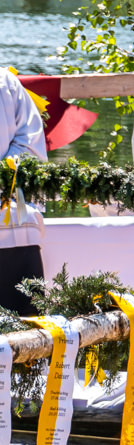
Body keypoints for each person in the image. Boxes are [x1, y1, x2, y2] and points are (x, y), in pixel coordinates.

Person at [0, 67, 48, 312]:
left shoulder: (5, 82)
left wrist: (3, 178)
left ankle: (24, 326)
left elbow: (29, 146)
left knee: (22, 216)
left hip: (9, 196)